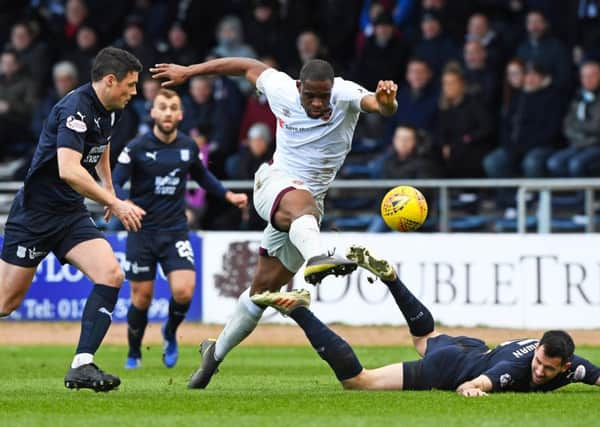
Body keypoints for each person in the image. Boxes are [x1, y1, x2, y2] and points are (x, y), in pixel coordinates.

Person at [151, 56, 398, 389]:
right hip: (273, 183)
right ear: (298, 87)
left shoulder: (344, 93)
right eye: (309, 95)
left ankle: (214, 354)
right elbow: (244, 65)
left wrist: (386, 104)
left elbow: (376, 105)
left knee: (262, 293)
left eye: (322, 96)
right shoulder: (281, 88)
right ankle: (317, 257)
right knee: (302, 204)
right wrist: (189, 72)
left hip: (306, 213)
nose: (316, 102)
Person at [253, 245, 600, 395]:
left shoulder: (574, 365)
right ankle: (299, 310)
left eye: (548, 370)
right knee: (360, 382)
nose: (539, 372)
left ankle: (391, 279)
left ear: (566, 365)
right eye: (539, 363)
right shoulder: (515, 370)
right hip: (453, 367)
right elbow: (478, 384)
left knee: (425, 336)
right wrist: (473, 390)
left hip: (468, 347)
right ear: (537, 350)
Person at [0, 47, 145, 392]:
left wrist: (108, 183)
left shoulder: (111, 108)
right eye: (131, 84)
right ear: (110, 81)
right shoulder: (74, 108)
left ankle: (82, 365)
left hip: (69, 214)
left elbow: (101, 145)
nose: (135, 92)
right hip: (35, 215)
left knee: (111, 273)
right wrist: (114, 201)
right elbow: (68, 169)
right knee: (6, 302)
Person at [113, 88, 247, 370]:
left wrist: (227, 195)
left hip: (175, 230)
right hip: (142, 231)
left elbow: (204, 177)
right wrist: (118, 203)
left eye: (173, 107)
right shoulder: (135, 148)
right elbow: (115, 181)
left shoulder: (188, 147)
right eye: (162, 107)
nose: (168, 113)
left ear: (181, 114)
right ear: (153, 112)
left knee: (185, 292)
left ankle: (169, 332)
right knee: (141, 297)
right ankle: (134, 351)